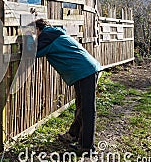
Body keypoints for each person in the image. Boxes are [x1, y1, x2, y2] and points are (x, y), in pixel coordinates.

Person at [34, 18, 102, 154]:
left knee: (87, 109)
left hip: (85, 71)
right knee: (81, 106)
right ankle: (73, 135)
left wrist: (28, 41)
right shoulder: (54, 34)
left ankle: (87, 147)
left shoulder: (47, 36)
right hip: (85, 70)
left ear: (38, 29)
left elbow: (32, 53)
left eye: (34, 32)